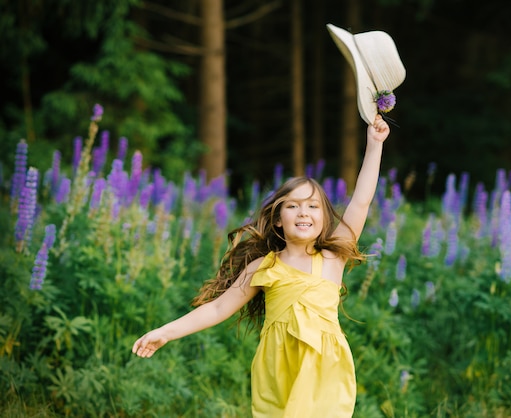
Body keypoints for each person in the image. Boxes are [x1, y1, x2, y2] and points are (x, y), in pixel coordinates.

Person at [132, 114, 390, 417]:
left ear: (324, 218)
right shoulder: (262, 267)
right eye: (292, 206)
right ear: (278, 219)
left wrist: (374, 145)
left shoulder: (333, 257)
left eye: (312, 205)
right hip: (277, 370)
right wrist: (166, 332)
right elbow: (217, 309)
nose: (303, 212)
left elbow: (360, 201)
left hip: (325, 369)